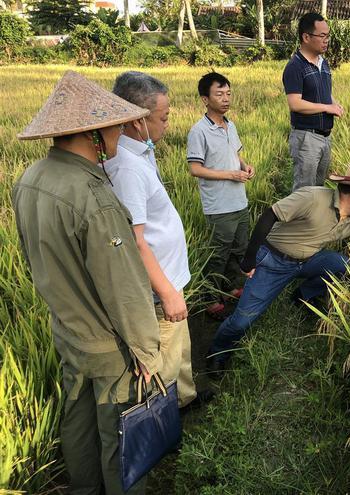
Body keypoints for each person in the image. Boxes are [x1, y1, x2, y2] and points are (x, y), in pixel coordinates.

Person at [12, 71, 162, 494]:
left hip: (67, 331)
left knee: (77, 424)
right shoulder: (95, 198)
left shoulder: (31, 178)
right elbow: (124, 287)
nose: (120, 135)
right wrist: (146, 350)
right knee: (121, 440)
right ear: (93, 132)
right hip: (108, 344)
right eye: (115, 126)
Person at [207, 161, 350, 373]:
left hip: (308, 260)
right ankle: (218, 352)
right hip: (273, 262)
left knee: (344, 266)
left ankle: (302, 295)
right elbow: (269, 215)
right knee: (242, 321)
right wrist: (249, 260)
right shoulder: (313, 198)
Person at [106, 71, 212, 411]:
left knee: (178, 345)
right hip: (158, 285)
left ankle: (186, 397)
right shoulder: (126, 168)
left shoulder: (140, 152)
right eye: (163, 118)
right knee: (165, 353)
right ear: (137, 120)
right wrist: (166, 292)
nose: (168, 124)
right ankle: (167, 422)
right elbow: (135, 240)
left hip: (168, 276)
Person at [187, 72, 255, 319]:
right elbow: (195, 169)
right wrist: (230, 175)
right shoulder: (199, 131)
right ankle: (210, 298)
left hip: (239, 201)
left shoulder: (230, 125)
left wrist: (245, 167)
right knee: (218, 254)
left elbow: (235, 155)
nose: (226, 99)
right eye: (219, 94)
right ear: (205, 99)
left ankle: (231, 288)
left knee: (240, 249)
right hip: (219, 206)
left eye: (228, 93)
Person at [283, 12, 345, 191]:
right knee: (304, 191)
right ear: (306, 37)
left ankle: (313, 220)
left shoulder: (323, 63)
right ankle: (296, 220)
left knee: (318, 188)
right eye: (322, 36)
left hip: (325, 137)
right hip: (306, 138)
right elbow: (295, 103)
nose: (326, 40)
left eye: (328, 36)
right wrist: (327, 108)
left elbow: (325, 92)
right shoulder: (295, 67)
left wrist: (335, 103)